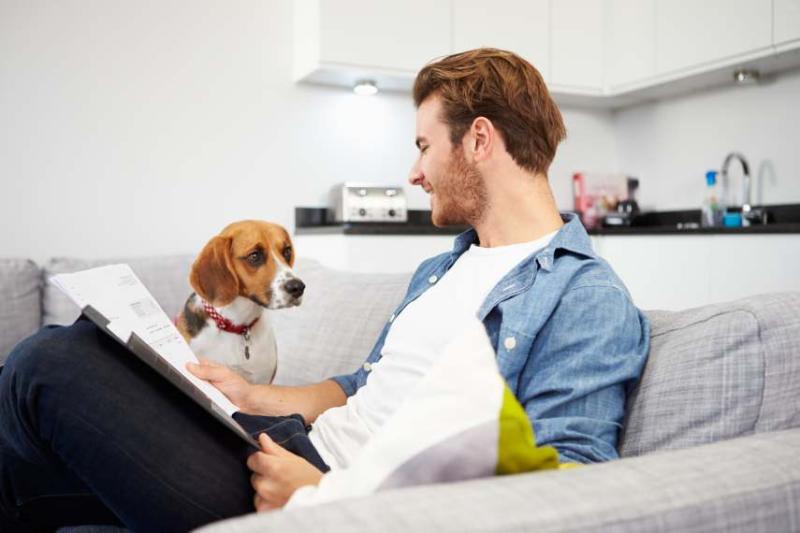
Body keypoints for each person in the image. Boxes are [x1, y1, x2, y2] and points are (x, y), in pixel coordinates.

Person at [0, 48, 650, 532]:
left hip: (310, 488)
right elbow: (364, 386)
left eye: (424, 146)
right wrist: (253, 393)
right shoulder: (442, 270)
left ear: (479, 139)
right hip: (281, 442)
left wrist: (332, 496)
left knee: (48, 363)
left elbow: (572, 491)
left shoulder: (586, 298)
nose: (415, 171)